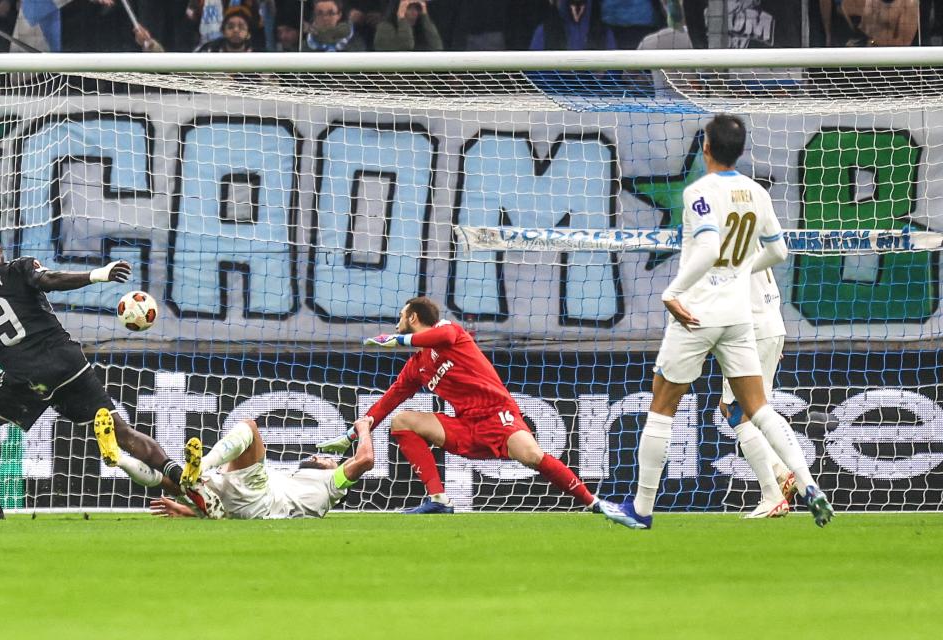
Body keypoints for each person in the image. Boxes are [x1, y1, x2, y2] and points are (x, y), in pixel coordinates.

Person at [616, 115, 833, 530]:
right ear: (741, 149)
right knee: (757, 408)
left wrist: (672, 292)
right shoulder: (756, 191)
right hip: (740, 316)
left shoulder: (699, 191)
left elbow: (709, 246)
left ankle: (642, 509)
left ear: (706, 148)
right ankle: (807, 485)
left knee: (663, 407)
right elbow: (779, 252)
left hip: (698, 313)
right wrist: (743, 268)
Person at [0, 232, 221, 520]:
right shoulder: (18, 268)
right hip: (67, 362)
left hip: (27, 377)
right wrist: (97, 274)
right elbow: (49, 280)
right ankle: (183, 478)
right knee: (123, 432)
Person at [316, 296, 636, 527]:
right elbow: (388, 401)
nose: (398, 322)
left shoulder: (450, 332)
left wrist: (399, 339)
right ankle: (438, 500)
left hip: (499, 417)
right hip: (467, 427)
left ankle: (594, 504)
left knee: (533, 457)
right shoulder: (418, 366)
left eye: (401, 317)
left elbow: (438, 336)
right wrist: (349, 436)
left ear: (413, 317)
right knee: (403, 421)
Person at [150, 417, 374, 519]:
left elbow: (365, 460)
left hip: (259, 499)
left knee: (250, 428)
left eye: (328, 461)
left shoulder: (333, 486)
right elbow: (228, 510)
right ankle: (119, 457)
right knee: (165, 475)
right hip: (246, 506)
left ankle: (203, 464)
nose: (318, 456)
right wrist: (188, 512)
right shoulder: (295, 483)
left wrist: (363, 428)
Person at [720, 267, 798, 519]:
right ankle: (780, 473)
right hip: (769, 326)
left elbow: (722, 294)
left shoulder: (723, 238)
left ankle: (772, 495)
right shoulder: (751, 234)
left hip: (750, 331)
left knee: (737, 412)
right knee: (734, 406)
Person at [373, 0, 442, 51]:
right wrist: (402, 18)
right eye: (409, 8)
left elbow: (437, 46)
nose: (414, 13)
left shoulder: (419, 28)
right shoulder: (384, 27)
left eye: (417, 9)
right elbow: (406, 47)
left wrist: (425, 17)